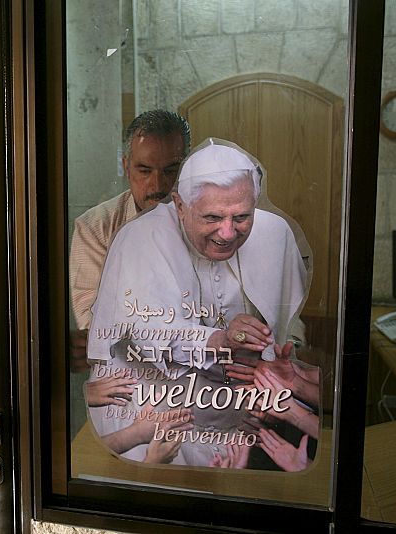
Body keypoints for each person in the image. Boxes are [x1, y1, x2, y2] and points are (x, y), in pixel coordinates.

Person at [85, 139, 309, 466]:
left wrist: (273, 360)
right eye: (213, 217)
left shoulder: (275, 233)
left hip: (234, 418)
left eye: (242, 216)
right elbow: (147, 332)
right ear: (179, 206)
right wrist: (221, 339)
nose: (228, 232)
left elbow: (291, 321)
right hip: (152, 412)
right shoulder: (141, 239)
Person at [69, 110, 191, 370]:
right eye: (144, 170)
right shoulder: (96, 227)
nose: (158, 185)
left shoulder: (217, 224)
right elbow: (97, 330)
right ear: (126, 167)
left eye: (171, 170)